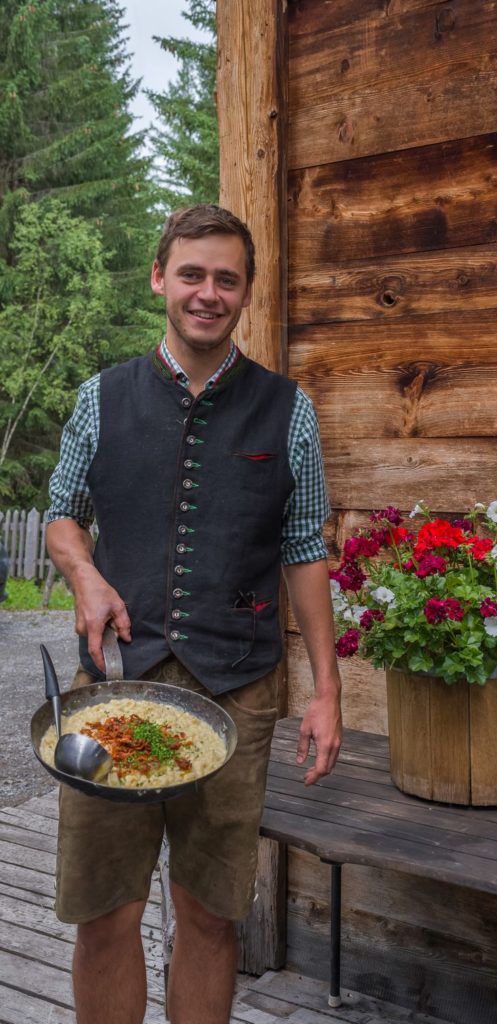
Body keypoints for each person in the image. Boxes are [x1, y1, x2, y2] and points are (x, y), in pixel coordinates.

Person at [46, 203, 343, 1024]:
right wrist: (84, 574)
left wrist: (326, 690)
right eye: (191, 274)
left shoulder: (290, 410)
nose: (206, 292)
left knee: (212, 918)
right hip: (113, 687)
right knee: (105, 916)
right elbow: (62, 511)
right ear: (158, 279)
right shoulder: (100, 396)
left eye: (226, 278)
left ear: (244, 293)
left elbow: (303, 549)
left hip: (237, 692)